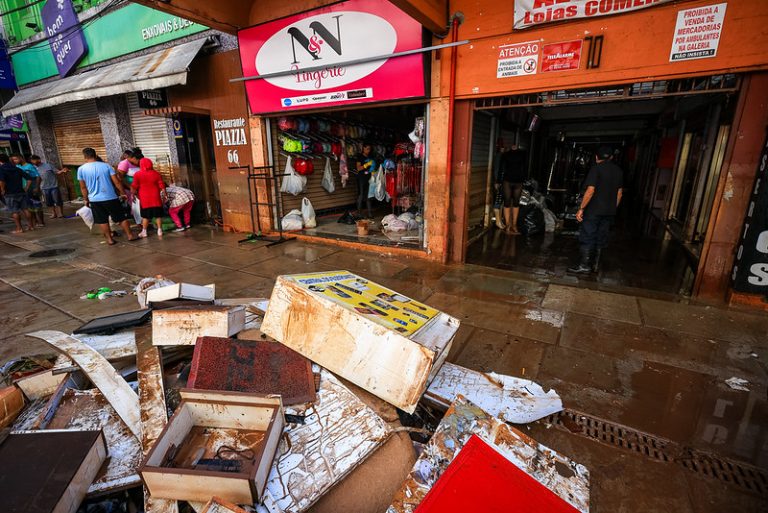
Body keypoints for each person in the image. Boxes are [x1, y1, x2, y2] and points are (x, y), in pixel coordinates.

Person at [568, 146, 624, 274]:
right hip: (609, 211)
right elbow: (619, 193)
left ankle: (585, 265)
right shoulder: (618, 171)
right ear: (611, 157)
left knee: (588, 236)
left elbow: (590, 191)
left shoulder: (596, 169)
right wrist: (612, 207)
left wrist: (581, 208)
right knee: (601, 237)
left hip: (593, 210)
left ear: (596, 157)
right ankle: (595, 266)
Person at [77, 147, 136, 245]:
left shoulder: (81, 169)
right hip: (111, 197)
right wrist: (122, 193)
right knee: (121, 218)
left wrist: (85, 199)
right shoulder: (106, 166)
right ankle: (130, 235)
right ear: (95, 155)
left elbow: (83, 187)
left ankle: (109, 240)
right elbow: (116, 182)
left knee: (102, 220)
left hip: (95, 200)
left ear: (85, 157)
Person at [131, 157, 166, 238]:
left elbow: (134, 186)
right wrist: (164, 193)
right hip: (156, 198)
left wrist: (133, 194)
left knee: (145, 216)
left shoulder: (137, 174)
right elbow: (161, 184)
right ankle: (160, 230)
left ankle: (144, 231)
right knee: (158, 215)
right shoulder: (156, 173)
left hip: (144, 199)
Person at [0, 154, 35, 233]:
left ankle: (19, 228)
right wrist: (26, 188)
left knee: (14, 211)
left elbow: (1, 181)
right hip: (21, 192)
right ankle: (31, 226)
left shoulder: (1, 169)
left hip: (9, 193)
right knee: (25, 209)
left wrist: (2, 190)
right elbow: (29, 178)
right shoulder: (16, 168)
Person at [497, 143, 527, 234]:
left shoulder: (522, 154)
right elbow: (501, 168)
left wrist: (525, 178)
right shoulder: (506, 155)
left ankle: (513, 225)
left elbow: (525, 167)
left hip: (517, 181)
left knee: (515, 203)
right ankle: (508, 225)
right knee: (508, 202)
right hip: (509, 181)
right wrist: (498, 181)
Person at [12, 153, 43, 228]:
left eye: (16, 159)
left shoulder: (30, 166)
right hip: (23, 190)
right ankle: (34, 222)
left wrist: (37, 187)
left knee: (37, 205)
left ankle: (41, 222)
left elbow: (38, 176)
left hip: (32, 188)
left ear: (21, 158)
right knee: (29, 206)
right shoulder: (17, 167)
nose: (14, 161)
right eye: (13, 160)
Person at [354, 143, 376, 219]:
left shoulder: (370, 157)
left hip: (369, 178)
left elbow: (373, 166)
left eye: (369, 149)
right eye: (367, 149)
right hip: (361, 178)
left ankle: (369, 213)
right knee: (361, 195)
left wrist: (373, 170)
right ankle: (359, 213)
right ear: (363, 148)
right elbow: (358, 168)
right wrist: (365, 165)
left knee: (369, 196)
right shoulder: (360, 157)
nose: (368, 150)